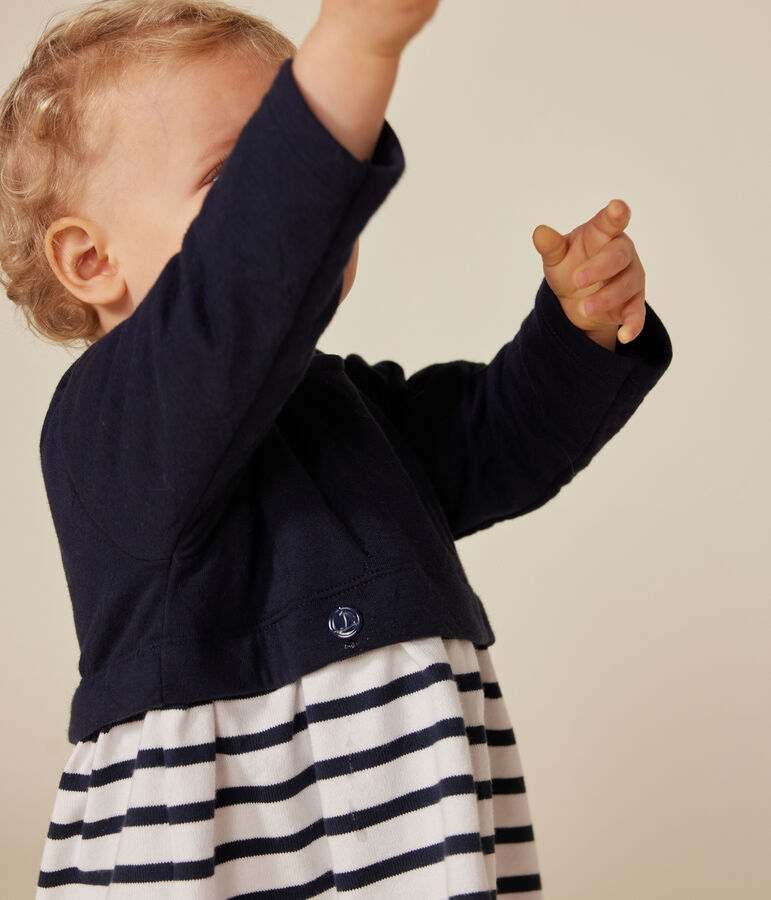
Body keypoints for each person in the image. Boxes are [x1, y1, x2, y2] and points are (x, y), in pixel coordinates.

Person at [0, 0, 672, 895]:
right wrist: (353, 46)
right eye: (243, 181)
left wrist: (577, 333)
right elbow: (240, 280)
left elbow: (495, 440)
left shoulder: (341, 402)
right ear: (91, 262)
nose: (307, 206)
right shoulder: (109, 427)